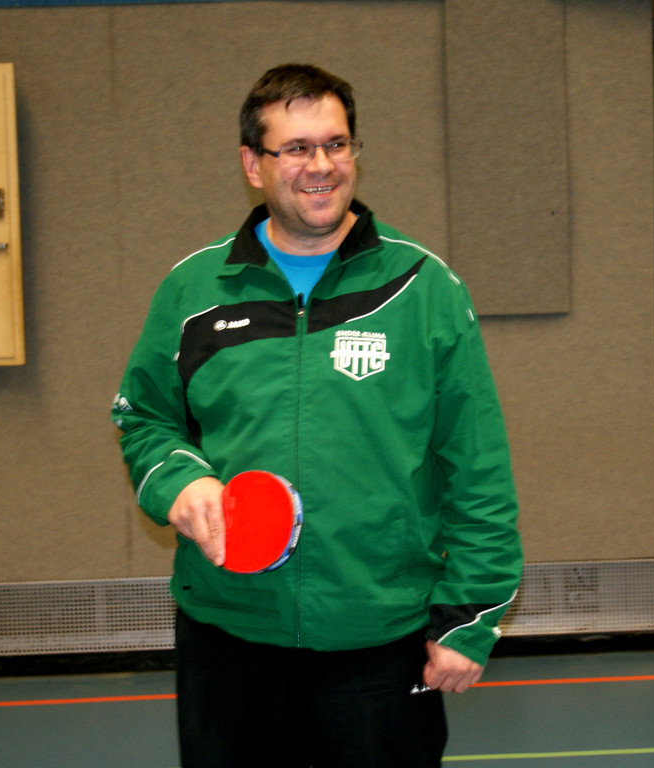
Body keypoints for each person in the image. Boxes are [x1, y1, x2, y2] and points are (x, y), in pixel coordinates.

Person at [112, 63, 523, 768]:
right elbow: (143, 416)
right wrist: (179, 481)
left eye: (336, 144)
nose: (321, 166)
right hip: (229, 635)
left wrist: (468, 615)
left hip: (378, 639)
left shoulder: (421, 288)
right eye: (296, 148)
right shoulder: (193, 289)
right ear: (253, 164)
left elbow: (477, 465)